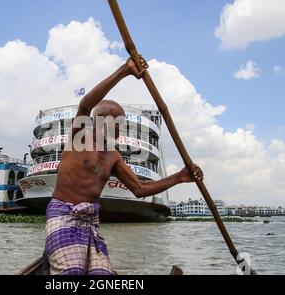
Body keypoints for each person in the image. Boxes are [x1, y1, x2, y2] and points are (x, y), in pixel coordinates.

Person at [45, 56, 203, 275]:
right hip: (63, 216)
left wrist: (179, 177)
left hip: (90, 222)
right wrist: (125, 70)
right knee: (71, 273)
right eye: (119, 123)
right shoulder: (79, 138)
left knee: (102, 275)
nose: (122, 129)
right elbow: (85, 104)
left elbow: (140, 189)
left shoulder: (113, 156)